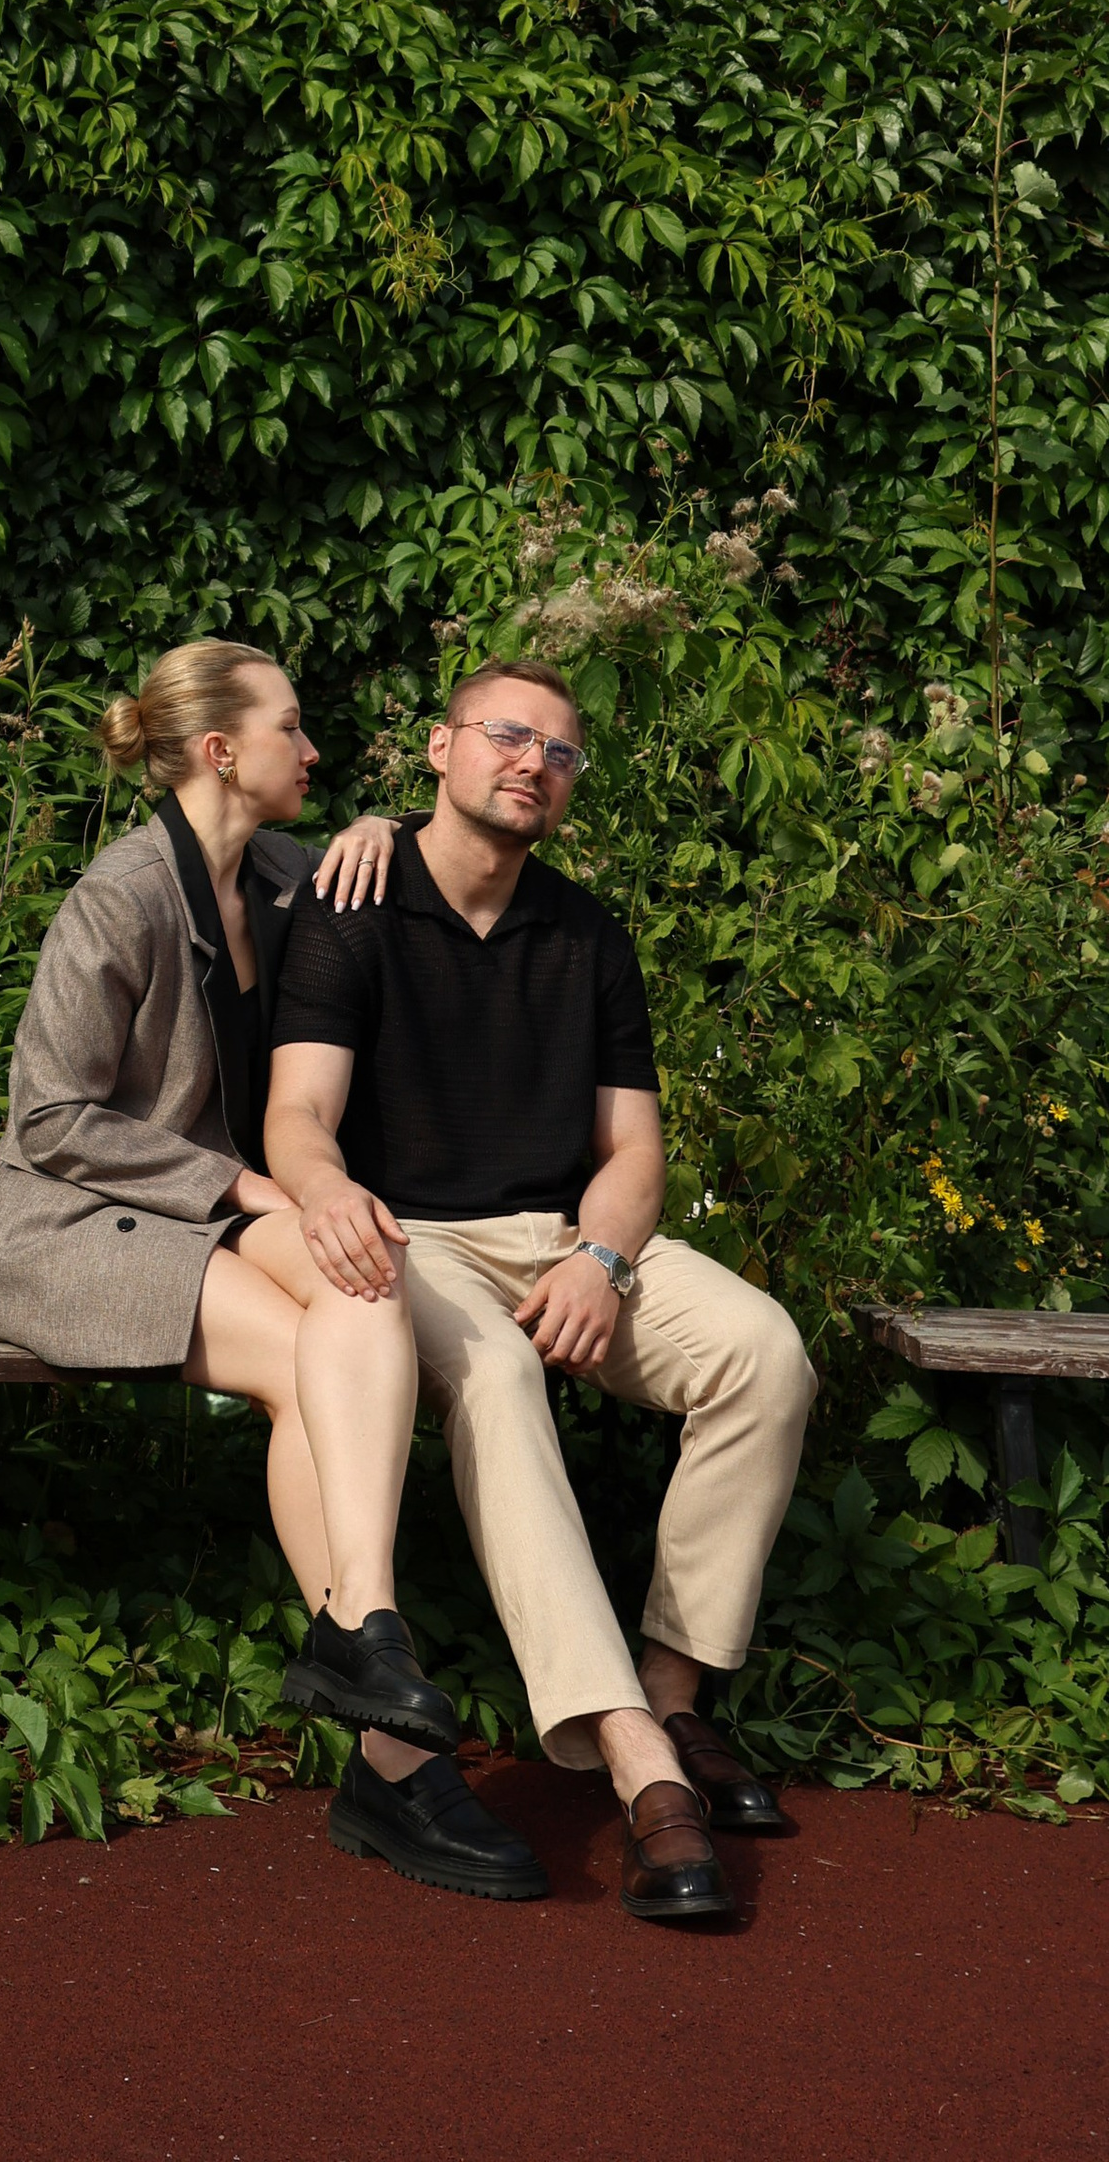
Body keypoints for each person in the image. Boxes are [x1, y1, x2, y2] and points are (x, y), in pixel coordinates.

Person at [264, 658, 819, 1923]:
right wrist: (326, 1190)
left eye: (559, 752)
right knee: (502, 1382)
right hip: (419, 1244)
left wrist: (603, 1260)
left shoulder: (588, 933)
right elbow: (297, 1114)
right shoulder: (349, 900)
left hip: (566, 1241)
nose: (532, 764)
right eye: (506, 737)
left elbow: (633, 1151)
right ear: (439, 748)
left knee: (763, 1354)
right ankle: (637, 1763)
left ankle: (674, 1693)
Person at [0, 636, 480, 1815]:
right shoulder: (122, 895)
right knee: (320, 1355)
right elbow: (50, 1116)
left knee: (361, 1280)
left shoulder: (284, 873)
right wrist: (250, 1188)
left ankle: (361, 1649)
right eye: (290, 729)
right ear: (218, 750)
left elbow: (430, 879)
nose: (312, 750)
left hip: (198, 1222)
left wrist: (385, 828)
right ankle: (389, 1730)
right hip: (77, 1226)